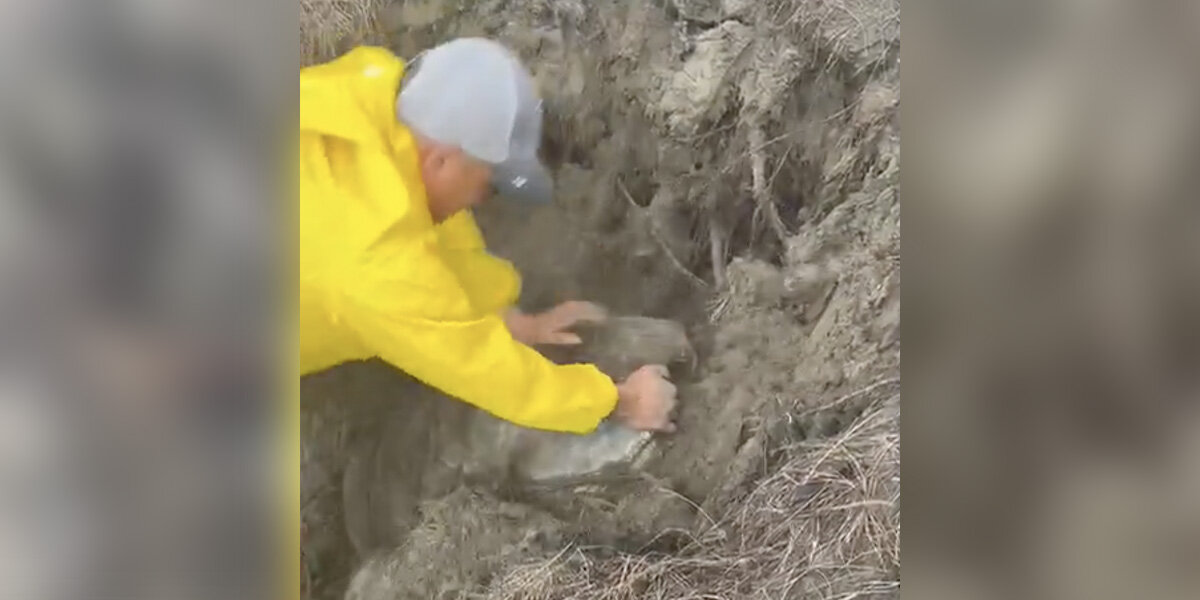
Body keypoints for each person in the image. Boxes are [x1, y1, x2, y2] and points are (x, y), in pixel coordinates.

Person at [298, 38, 678, 434]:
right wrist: (621, 401)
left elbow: (429, 225)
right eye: (487, 186)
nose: (478, 201)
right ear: (441, 159)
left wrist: (510, 319)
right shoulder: (374, 261)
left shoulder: (373, 85)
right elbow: (480, 367)